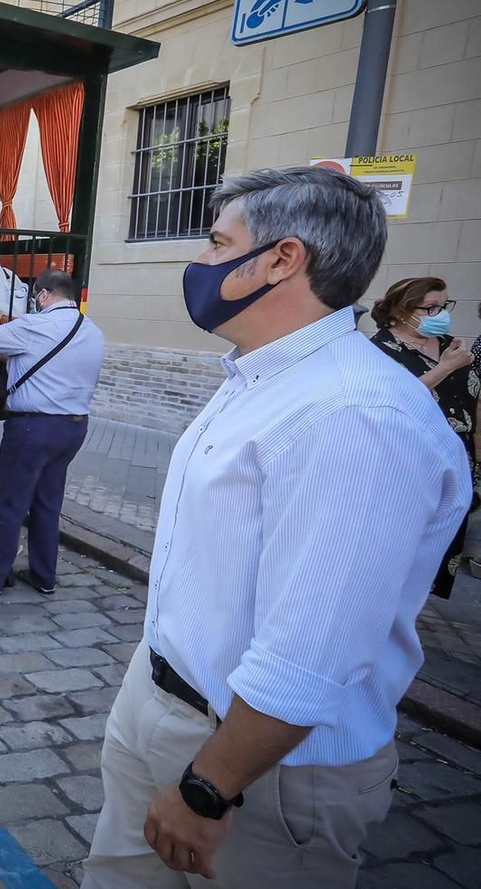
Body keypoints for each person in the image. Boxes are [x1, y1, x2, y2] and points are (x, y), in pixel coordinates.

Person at [82, 167, 469, 888]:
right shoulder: (261, 378)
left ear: (283, 259)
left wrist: (208, 785)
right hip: (165, 703)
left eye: (217, 242)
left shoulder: (355, 416)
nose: (199, 262)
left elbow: (311, 652)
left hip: (258, 772)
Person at [0, 269, 102, 597]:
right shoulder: (93, 331)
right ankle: (44, 576)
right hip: (74, 428)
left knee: (10, 504)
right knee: (48, 503)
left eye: (36, 297)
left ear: (44, 294)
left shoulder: (34, 326)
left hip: (33, 427)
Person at [368, 276, 478, 598]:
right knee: (404, 557)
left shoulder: (448, 343)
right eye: (431, 308)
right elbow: (392, 401)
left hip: (458, 462)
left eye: (444, 306)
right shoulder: (379, 350)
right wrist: (444, 369)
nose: (441, 314)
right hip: (412, 466)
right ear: (402, 311)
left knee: (438, 551)